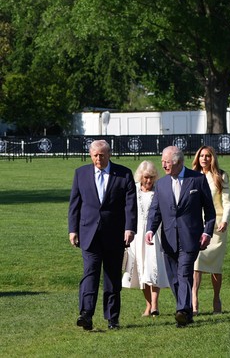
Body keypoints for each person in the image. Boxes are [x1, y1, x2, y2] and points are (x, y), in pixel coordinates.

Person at [68, 139, 137, 331]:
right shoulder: (81, 174)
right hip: (88, 233)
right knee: (90, 273)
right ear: (91, 155)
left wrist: (130, 228)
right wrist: (72, 230)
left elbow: (130, 205)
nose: (98, 159)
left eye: (102, 155)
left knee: (112, 277)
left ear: (109, 154)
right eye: (95, 155)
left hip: (115, 234)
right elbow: (75, 204)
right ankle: (86, 315)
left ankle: (112, 318)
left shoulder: (123, 174)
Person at [145, 146, 216, 327]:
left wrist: (207, 232)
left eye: (166, 162)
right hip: (168, 239)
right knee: (174, 278)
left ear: (178, 162)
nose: (163, 166)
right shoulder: (161, 184)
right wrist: (150, 230)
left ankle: (183, 311)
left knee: (184, 272)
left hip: (190, 237)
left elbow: (209, 210)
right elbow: (155, 210)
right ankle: (184, 311)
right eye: (162, 162)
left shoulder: (197, 180)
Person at [122, 160, 169, 317]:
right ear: (140, 177)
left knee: (153, 268)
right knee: (141, 271)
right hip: (137, 235)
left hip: (154, 233)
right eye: (146, 177)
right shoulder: (133, 190)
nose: (149, 181)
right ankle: (148, 306)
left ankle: (155, 305)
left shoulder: (159, 190)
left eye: (152, 177)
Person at [191, 145, 230, 314]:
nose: (204, 159)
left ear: (212, 157)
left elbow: (227, 201)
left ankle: (216, 297)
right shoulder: (192, 176)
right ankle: (194, 299)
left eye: (208, 156)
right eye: (202, 156)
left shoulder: (221, 176)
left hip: (217, 226)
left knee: (215, 266)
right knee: (196, 262)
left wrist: (225, 220)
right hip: (197, 224)